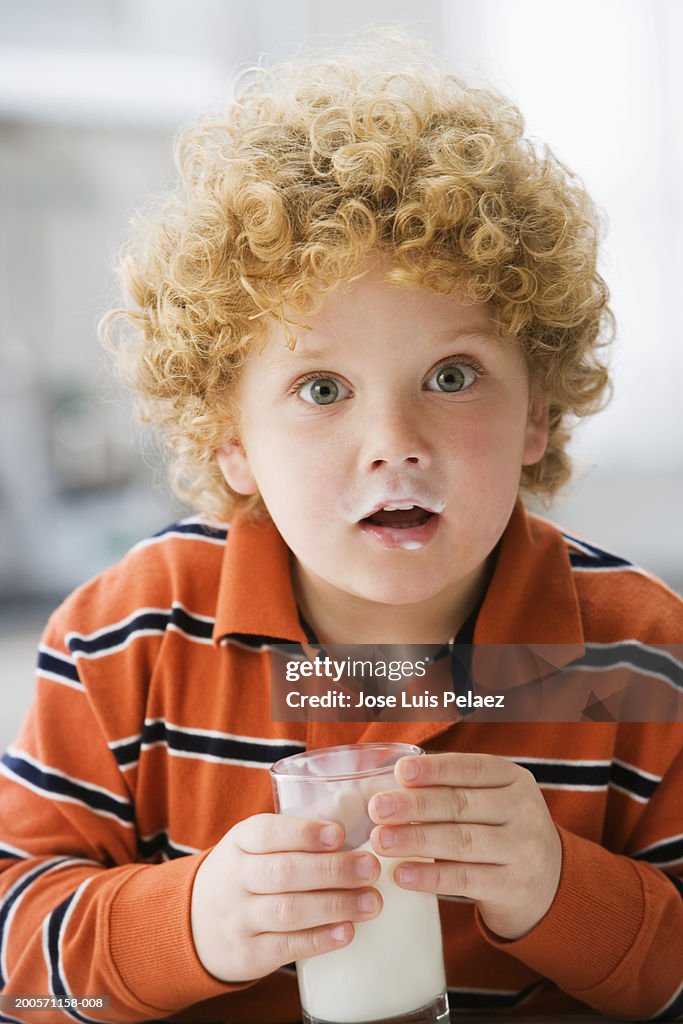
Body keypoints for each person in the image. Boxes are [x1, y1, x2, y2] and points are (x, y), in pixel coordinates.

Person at [1, 29, 682, 1024]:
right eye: (322, 387)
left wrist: (556, 888)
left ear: (536, 408)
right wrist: (191, 920)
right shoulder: (124, 641)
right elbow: (19, 951)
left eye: (451, 377)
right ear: (231, 438)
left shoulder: (639, 654)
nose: (391, 442)